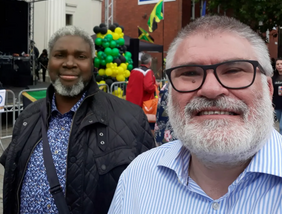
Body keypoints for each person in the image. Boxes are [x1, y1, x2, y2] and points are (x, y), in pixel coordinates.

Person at [109, 16, 282, 213]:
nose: (211, 89)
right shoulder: (137, 176)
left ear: (268, 88)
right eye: (190, 73)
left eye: (233, 70)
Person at [0, 25, 155, 214]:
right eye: (60, 55)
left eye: (81, 57)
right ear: (48, 62)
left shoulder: (131, 118)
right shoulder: (28, 116)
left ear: (93, 63)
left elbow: (149, 194)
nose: (69, 63)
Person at [126, 53, 157, 128]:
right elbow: (148, 87)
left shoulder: (134, 70)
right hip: (143, 103)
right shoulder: (148, 72)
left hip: (131, 101)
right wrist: (155, 86)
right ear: (149, 62)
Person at [272, 58, 282, 134]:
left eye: (281, 64)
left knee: (281, 126)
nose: (279, 66)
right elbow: (271, 91)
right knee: (278, 121)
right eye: (277, 64)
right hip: (277, 104)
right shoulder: (273, 78)